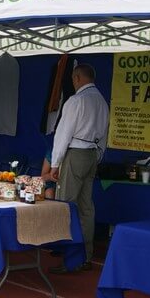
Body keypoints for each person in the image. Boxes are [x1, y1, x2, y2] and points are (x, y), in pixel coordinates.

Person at [48, 64, 109, 273]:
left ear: (76, 78)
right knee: (86, 208)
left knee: (66, 206)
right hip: (92, 154)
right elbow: (104, 135)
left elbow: (63, 134)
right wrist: (97, 155)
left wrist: (55, 163)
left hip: (75, 153)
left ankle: (70, 259)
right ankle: (86, 256)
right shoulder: (102, 102)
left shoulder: (76, 101)